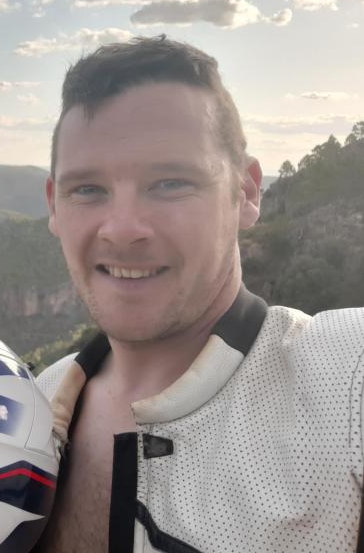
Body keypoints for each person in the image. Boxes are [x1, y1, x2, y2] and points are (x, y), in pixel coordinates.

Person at [32, 36, 364, 553]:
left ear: (247, 193)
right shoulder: (27, 409)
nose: (122, 230)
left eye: (170, 182)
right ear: (55, 204)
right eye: (88, 189)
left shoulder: (343, 381)